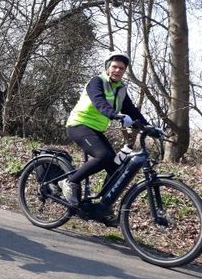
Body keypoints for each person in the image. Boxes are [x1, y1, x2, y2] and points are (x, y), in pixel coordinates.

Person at [59, 51, 148, 225]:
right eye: (114, 67)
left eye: (121, 69)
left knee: (115, 169)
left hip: (96, 130)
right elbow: (99, 102)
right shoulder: (96, 82)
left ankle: (102, 209)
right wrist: (115, 115)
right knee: (104, 156)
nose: (117, 71)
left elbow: (132, 111)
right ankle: (69, 182)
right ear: (108, 67)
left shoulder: (121, 89)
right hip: (79, 125)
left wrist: (149, 126)